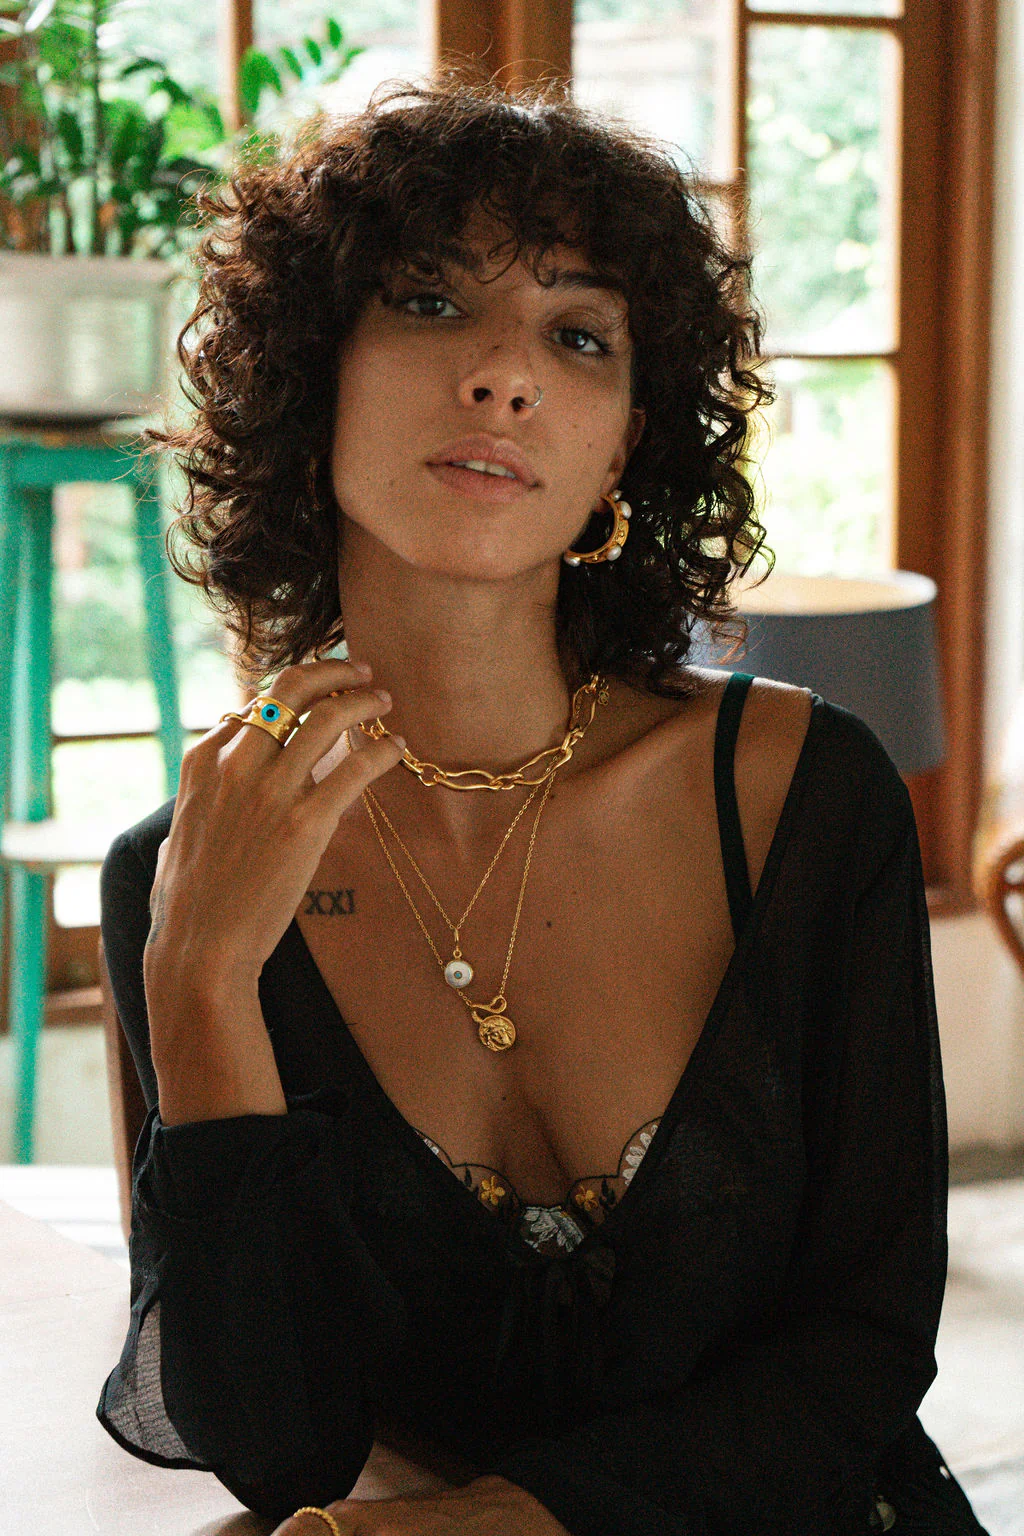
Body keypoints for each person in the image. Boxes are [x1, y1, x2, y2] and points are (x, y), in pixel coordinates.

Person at [96, 69, 989, 1536]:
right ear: (315, 372)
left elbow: (866, 1347)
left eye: (579, 335)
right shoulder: (187, 870)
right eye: (431, 302)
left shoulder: (799, 794)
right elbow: (277, 1447)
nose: (505, 375)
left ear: (623, 443)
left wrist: (505, 1524)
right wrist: (199, 975)